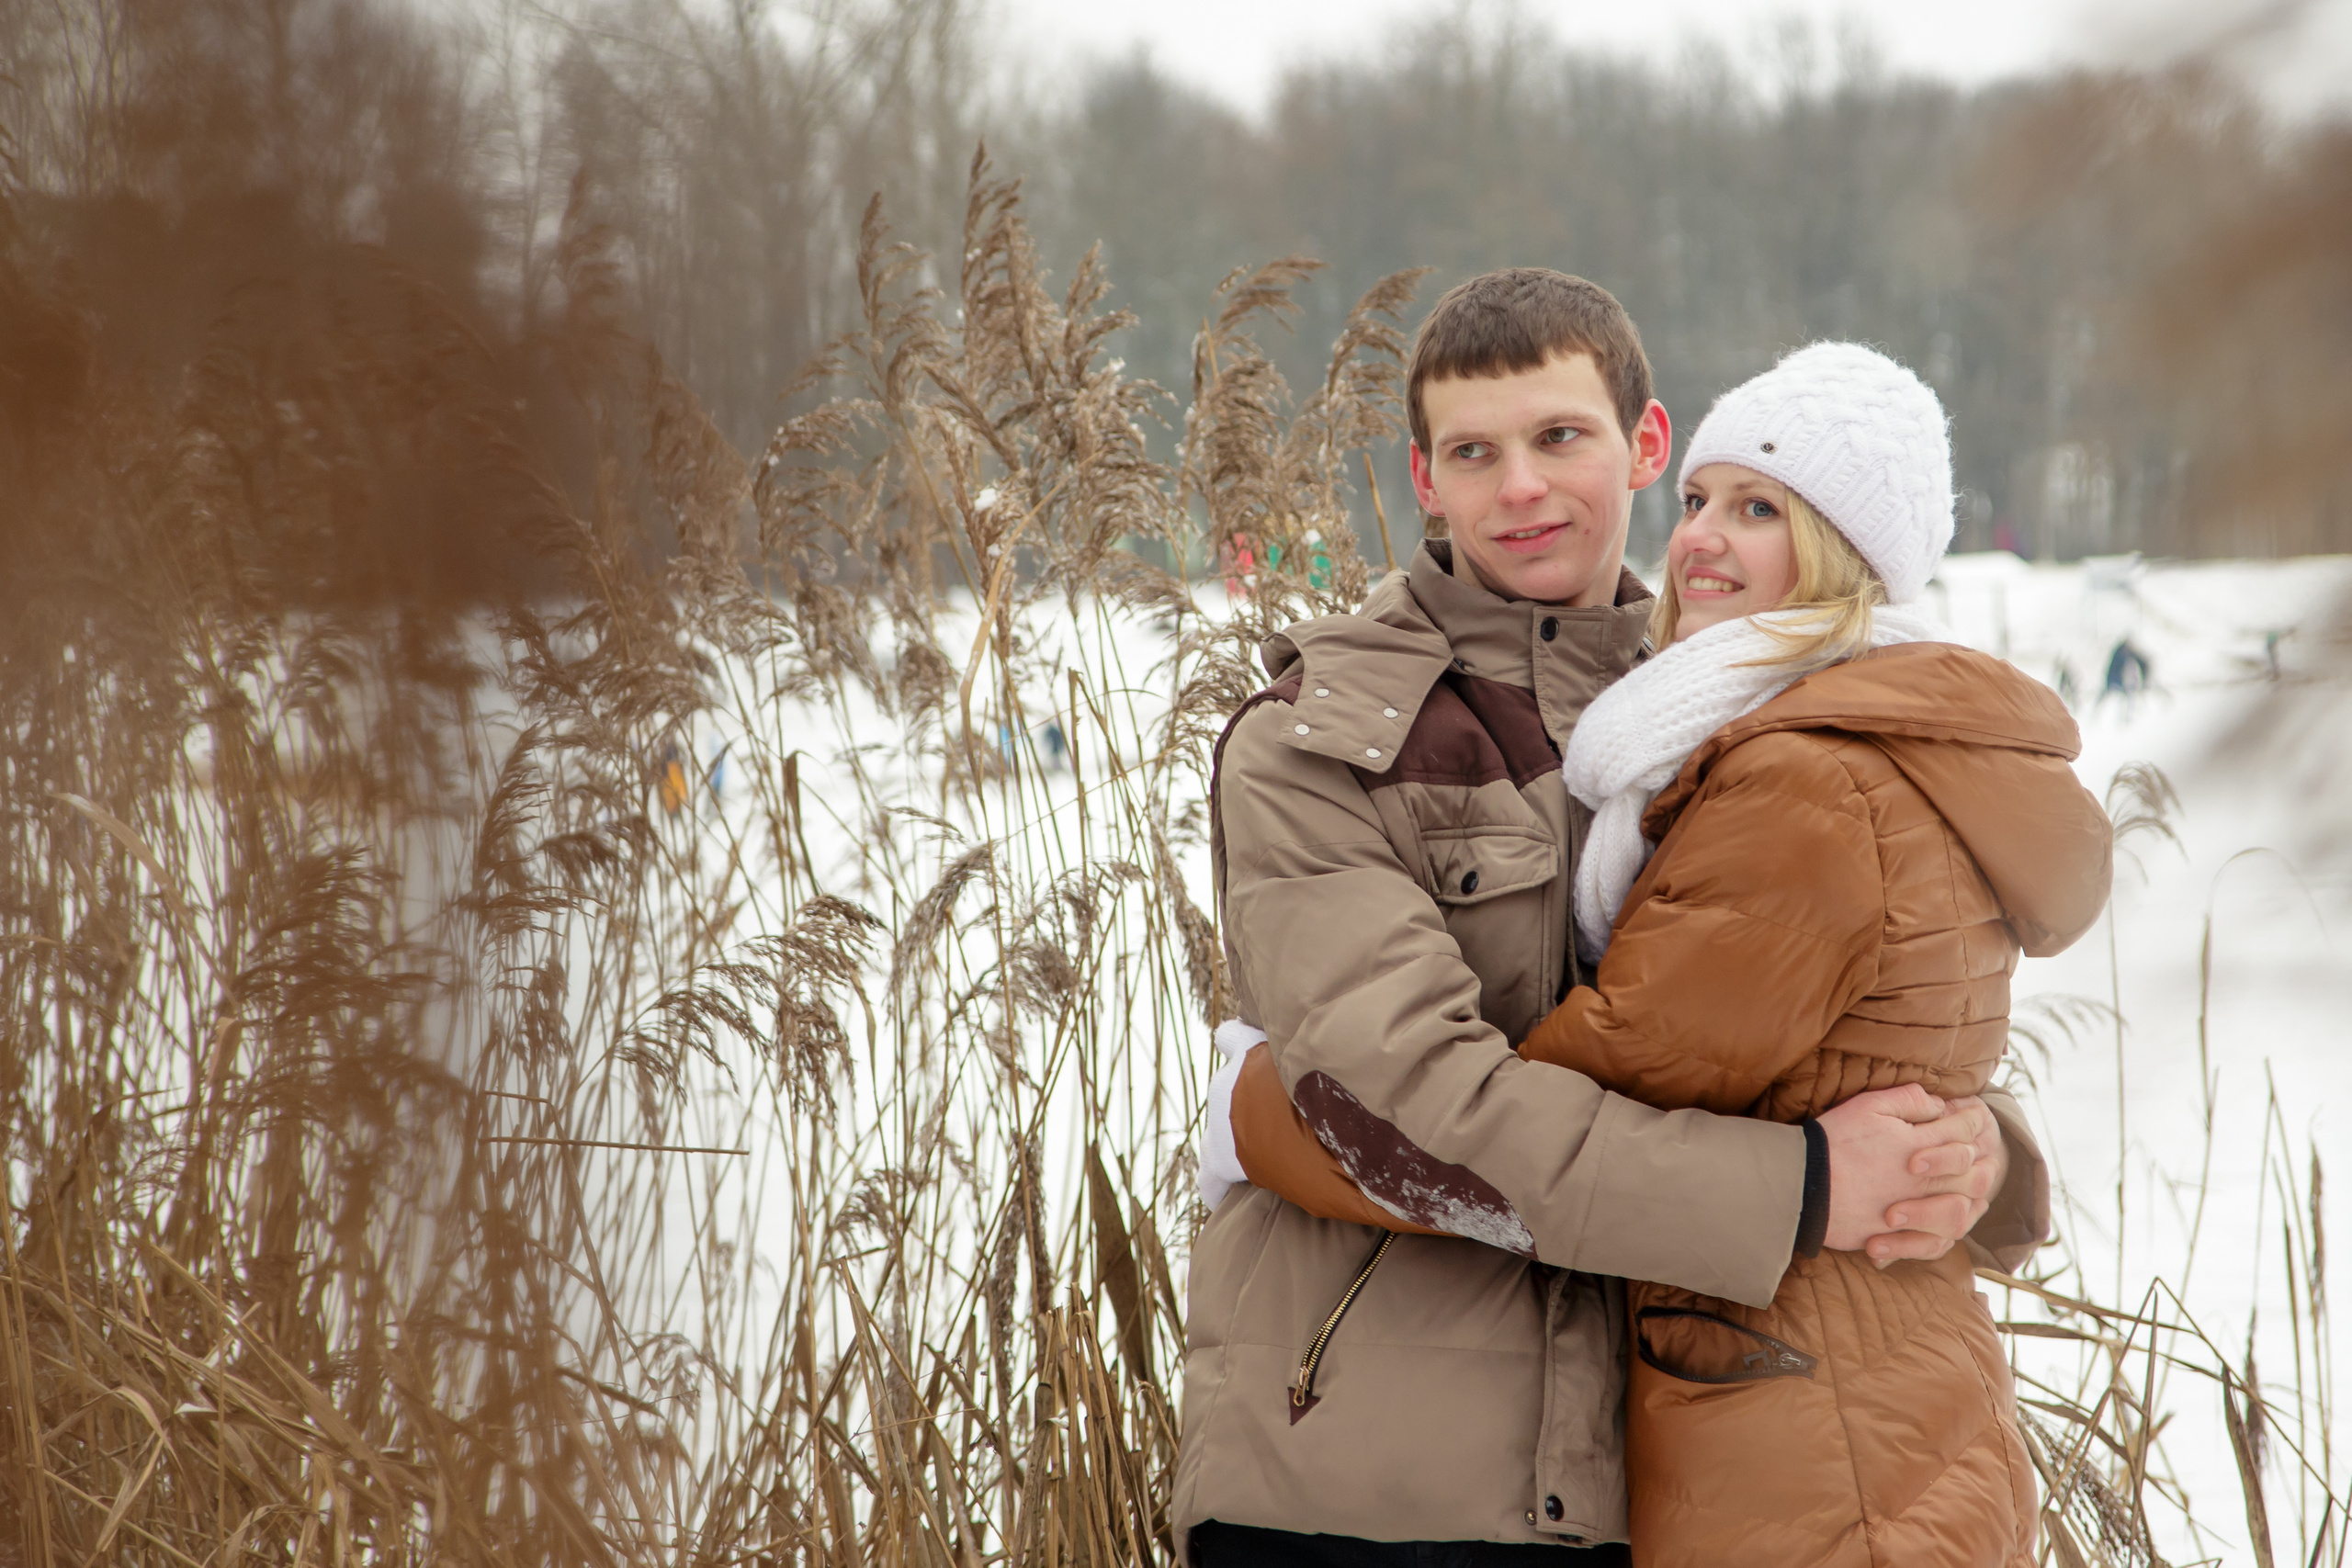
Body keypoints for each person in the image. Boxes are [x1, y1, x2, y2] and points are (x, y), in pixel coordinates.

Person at [1174, 270, 2056, 1564]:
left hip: (1664, 1473)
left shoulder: (1747, 706)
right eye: (1473, 452)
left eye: (1559, 436)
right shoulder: (1325, 738)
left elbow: (1848, 1022)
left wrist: (1977, 1157)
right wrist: (1808, 1189)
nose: (1520, 487)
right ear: (1424, 479)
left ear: (1645, 444)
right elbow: (1420, 1110)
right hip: (1372, 1488)